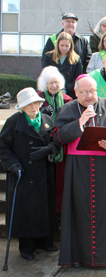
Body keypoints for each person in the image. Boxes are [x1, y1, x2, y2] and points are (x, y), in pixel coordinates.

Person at [53, 75, 106, 267]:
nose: (89, 96)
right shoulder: (67, 109)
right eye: (84, 92)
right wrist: (79, 122)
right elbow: (56, 137)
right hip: (78, 168)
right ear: (75, 92)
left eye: (92, 91)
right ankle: (78, 256)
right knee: (79, 212)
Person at [0, 88, 60, 261]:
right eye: (29, 104)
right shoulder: (13, 122)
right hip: (23, 174)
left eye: (36, 103)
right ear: (22, 107)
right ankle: (27, 247)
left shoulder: (47, 119)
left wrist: (48, 149)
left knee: (44, 209)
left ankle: (45, 242)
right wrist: (12, 164)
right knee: (26, 212)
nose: (34, 107)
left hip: (44, 174)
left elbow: (57, 142)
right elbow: (2, 147)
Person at [36, 67, 74, 215]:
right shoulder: (38, 99)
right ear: (45, 84)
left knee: (61, 181)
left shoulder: (67, 99)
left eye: (56, 83)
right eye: (50, 83)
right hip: (43, 144)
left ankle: (60, 211)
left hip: (62, 145)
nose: (54, 86)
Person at [42, 32, 83, 99]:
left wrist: (65, 89)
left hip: (69, 93)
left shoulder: (76, 59)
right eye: (62, 45)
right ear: (57, 45)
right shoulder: (48, 56)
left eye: (67, 46)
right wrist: (54, 87)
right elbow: (45, 75)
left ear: (71, 46)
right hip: (51, 91)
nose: (64, 48)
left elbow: (78, 78)